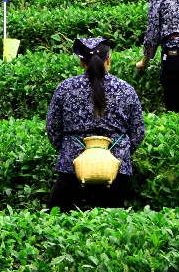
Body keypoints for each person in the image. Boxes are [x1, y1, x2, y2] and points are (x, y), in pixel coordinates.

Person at [45, 36, 145, 211]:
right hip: (116, 165)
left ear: (81, 62)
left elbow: (53, 129)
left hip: (72, 164)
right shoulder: (125, 89)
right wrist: (119, 152)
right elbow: (138, 132)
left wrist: (69, 150)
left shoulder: (65, 88)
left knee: (54, 216)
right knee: (114, 225)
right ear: (109, 60)